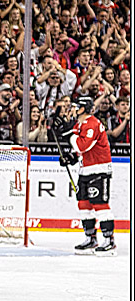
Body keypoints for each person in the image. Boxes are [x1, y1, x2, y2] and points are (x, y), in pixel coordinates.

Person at [55, 96, 115, 256]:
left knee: (100, 205)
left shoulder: (92, 124)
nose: (72, 109)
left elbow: (82, 144)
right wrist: (71, 157)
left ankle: (109, 241)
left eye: (75, 107)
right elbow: (80, 150)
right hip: (85, 170)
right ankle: (91, 238)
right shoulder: (80, 124)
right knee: (83, 205)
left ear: (83, 108)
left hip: (99, 170)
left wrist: (69, 135)